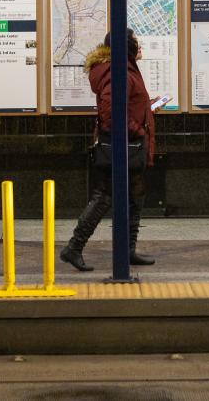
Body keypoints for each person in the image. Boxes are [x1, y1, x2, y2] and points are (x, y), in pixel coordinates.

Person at [60, 28, 160, 271]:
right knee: (103, 197)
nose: (138, 45)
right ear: (126, 46)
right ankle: (74, 247)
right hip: (122, 146)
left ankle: (127, 250)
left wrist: (147, 110)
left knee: (135, 196)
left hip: (128, 145)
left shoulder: (122, 68)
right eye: (135, 41)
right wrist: (137, 129)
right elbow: (111, 112)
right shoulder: (119, 72)